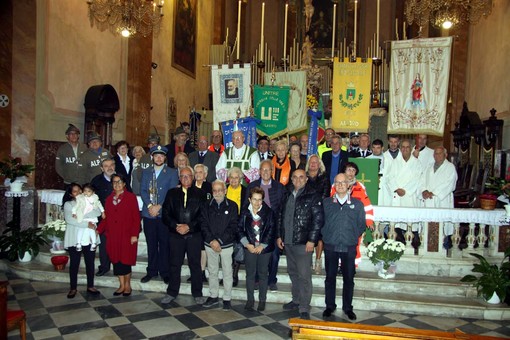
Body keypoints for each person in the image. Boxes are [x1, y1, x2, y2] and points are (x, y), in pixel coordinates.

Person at [277, 169, 324, 320]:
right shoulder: (286, 193)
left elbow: (318, 220)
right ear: (291, 179)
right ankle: (296, 300)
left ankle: (304, 307)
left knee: (304, 276)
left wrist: (312, 240)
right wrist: (279, 236)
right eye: (295, 177)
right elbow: (280, 215)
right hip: (288, 241)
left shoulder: (313, 195)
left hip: (304, 243)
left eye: (301, 177)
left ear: (306, 179)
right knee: (293, 273)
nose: (298, 180)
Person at [322, 173, 366, 321]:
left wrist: (351, 237)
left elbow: (361, 225)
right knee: (330, 278)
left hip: (348, 247)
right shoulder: (327, 203)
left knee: (349, 279)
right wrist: (327, 236)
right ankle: (330, 306)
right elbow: (321, 223)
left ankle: (348, 308)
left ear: (349, 185)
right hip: (331, 246)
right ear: (334, 185)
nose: (340, 185)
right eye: (337, 182)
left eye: (343, 182)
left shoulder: (358, 204)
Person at [161, 166, 207, 305]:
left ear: (193, 178)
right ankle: (172, 292)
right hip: (176, 235)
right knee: (174, 264)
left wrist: (189, 226)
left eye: (188, 176)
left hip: (194, 235)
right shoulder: (171, 193)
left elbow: (203, 216)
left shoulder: (201, 193)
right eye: (183, 176)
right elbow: (165, 214)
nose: (185, 178)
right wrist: (176, 226)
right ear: (179, 178)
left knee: (195, 265)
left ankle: (197, 293)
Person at [140, 145, 179, 284]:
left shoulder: (172, 172)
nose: (158, 158)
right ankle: (151, 271)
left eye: (161, 156)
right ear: (152, 157)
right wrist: (150, 206)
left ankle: (165, 272)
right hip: (149, 213)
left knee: (164, 243)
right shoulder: (146, 172)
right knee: (151, 243)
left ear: (165, 158)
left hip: (164, 213)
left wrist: (159, 207)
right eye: (156, 155)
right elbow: (143, 190)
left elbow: (172, 192)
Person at [97, 174, 140, 297]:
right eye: (114, 182)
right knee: (116, 261)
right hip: (113, 235)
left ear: (124, 183)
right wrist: (98, 230)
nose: (117, 184)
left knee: (125, 261)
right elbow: (106, 219)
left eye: (119, 182)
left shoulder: (131, 198)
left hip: (126, 235)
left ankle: (127, 285)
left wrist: (134, 234)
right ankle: (121, 285)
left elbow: (136, 218)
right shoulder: (109, 199)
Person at [247, 160, 285, 291]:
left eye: (268, 170)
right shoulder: (252, 186)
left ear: (272, 171)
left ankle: (272, 280)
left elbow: (282, 210)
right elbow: (246, 209)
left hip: (273, 229)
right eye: (263, 170)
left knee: (274, 255)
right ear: (259, 171)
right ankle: (257, 279)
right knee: (257, 254)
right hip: (255, 229)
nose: (265, 172)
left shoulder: (279, 187)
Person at [200, 180, 239, 310]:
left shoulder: (232, 206)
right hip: (209, 244)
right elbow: (203, 224)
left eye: (220, 190)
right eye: (215, 190)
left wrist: (219, 241)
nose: (217, 193)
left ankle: (227, 298)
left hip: (226, 245)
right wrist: (212, 241)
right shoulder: (205, 205)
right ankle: (213, 296)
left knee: (228, 272)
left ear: (225, 191)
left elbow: (233, 226)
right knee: (212, 271)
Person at [238, 187, 276, 312]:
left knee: (263, 274)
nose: (257, 202)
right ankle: (250, 300)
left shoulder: (269, 212)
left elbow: (271, 230)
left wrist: (262, 246)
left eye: (260, 200)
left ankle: (262, 300)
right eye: (254, 199)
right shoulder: (244, 212)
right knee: (250, 274)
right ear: (249, 199)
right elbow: (239, 229)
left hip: (264, 249)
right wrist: (247, 244)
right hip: (249, 247)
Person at [63, 183, 101, 298]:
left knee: (90, 262)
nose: (79, 193)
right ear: (71, 194)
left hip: (89, 237)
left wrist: (81, 216)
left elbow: (98, 212)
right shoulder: (69, 204)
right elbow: (70, 219)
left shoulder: (91, 200)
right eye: (75, 191)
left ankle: (90, 285)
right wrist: (86, 223)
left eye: (80, 190)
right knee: (74, 263)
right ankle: (73, 288)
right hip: (75, 237)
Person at [383, 140, 422, 245]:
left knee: (410, 223)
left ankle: (413, 245)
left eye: (407, 147)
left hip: (409, 197)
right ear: (400, 148)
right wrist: (396, 188)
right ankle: (398, 246)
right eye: (403, 147)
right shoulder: (396, 162)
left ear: (411, 149)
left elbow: (417, 179)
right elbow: (389, 177)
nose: (405, 149)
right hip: (398, 197)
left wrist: (405, 190)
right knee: (397, 225)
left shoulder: (416, 163)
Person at [420, 147, 458, 242]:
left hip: (442, 200)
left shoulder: (450, 167)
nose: (437, 155)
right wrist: (424, 190)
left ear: (445, 155)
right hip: (429, 201)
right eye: (435, 153)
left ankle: (444, 246)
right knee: (427, 226)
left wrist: (433, 193)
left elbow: (449, 184)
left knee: (442, 226)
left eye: (440, 153)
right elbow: (422, 181)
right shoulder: (429, 167)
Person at [305, 155, 331, 274]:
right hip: (305, 210)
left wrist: (316, 205)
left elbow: (326, 194)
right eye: (311, 162)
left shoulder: (324, 177)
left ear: (320, 164)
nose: (313, 164)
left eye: (316, 162)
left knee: (319, 237)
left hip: (320, 209)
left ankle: (318, 261)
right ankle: (308, 261)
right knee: (307, 236)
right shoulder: (304, 176)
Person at [90, 158, 116, 276]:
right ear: (101, 168)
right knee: (104, 244)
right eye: (106, 166)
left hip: (118, 218)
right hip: (103, 217)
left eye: (111, 165)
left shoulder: (120, 179)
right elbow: (90, 199)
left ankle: (118, 268)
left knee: (117, 243)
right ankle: (104, 267)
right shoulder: (96, 181)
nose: (109, 168)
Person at [226, 167, 247, 287]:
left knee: (237, 250)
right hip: (225, 224)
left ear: (240, 179)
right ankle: (227, 275)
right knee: (227, 252)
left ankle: (234, 274)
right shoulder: (224, 189)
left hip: (239, 224)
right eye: (231, 177)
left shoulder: (245, 191)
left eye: (236, 177)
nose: (234, 180)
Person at [72, 183, 104, 251]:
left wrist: (103, 212)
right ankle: (78, 243)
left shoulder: (95, 198)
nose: (86, 192)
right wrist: (74, 213)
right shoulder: (80, 198)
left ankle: (94, 243)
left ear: (93, 192)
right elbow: (76, 206)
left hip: (91, 217)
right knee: (81, 229)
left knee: (92, 229)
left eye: (89, 191)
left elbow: (99, 205)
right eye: (85, 191)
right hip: (82, 216)